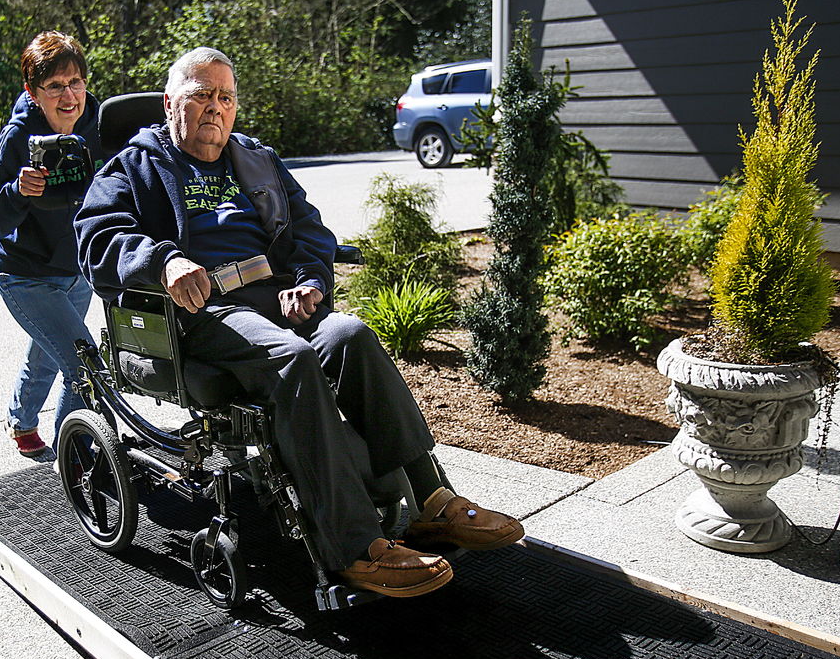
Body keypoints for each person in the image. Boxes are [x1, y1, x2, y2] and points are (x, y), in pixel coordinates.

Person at [75, 47, 524, 598]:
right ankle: (355, 547)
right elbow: (98, 236)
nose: (216, 108)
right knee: (293, 357)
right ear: (171, 103)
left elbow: (311, 232)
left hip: (276, 298)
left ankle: (431, 499)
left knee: (351, 335)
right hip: (198, 311)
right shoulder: (134, 166)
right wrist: (163, 260)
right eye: (202, 95)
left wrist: (310, 280)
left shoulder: (257, 159)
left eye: (226, 97)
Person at [0, 31, 104, 460]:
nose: (69, 95)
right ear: (33, 92)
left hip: (78, 270)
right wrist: (18, 191)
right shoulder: (17, 138)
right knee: (83, 365)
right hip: (25, 274)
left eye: (76, 82)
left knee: (49, 354)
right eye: (54, 86)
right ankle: (79, 458)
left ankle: (21, 419)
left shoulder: (97, 122)